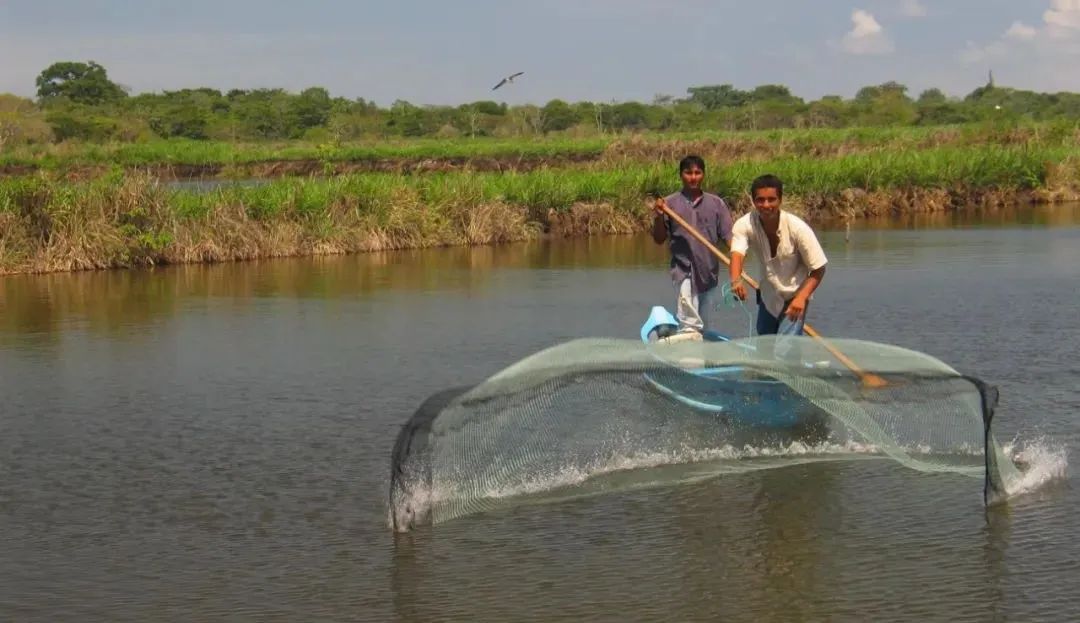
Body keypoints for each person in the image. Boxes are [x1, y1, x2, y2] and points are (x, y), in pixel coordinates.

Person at [729, 174, 827, 336]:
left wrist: (801, 298)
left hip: (794, 295)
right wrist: (736, 280)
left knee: (786, 349)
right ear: (753, 201)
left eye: (771, 199)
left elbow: (819, 268)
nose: (766, 205)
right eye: (760, 200)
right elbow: (737, 254)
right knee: (765, 345)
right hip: (768, 294)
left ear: (780, 200)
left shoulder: (798, 228)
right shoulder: (745, 224)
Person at [652, 155, 734, 333]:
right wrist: (659, 216)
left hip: (709, 272)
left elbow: (729, 237)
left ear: (703, 175)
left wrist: (737, 264)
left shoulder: (716, 204)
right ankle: (689, 356)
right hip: (684, 271)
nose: (693, 177)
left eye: (697, 173)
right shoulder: (669, 204)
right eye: (688, 173)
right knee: (690, 322)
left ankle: (701, 351)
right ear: (681, 175)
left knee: (704, 321)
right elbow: (659, 239)